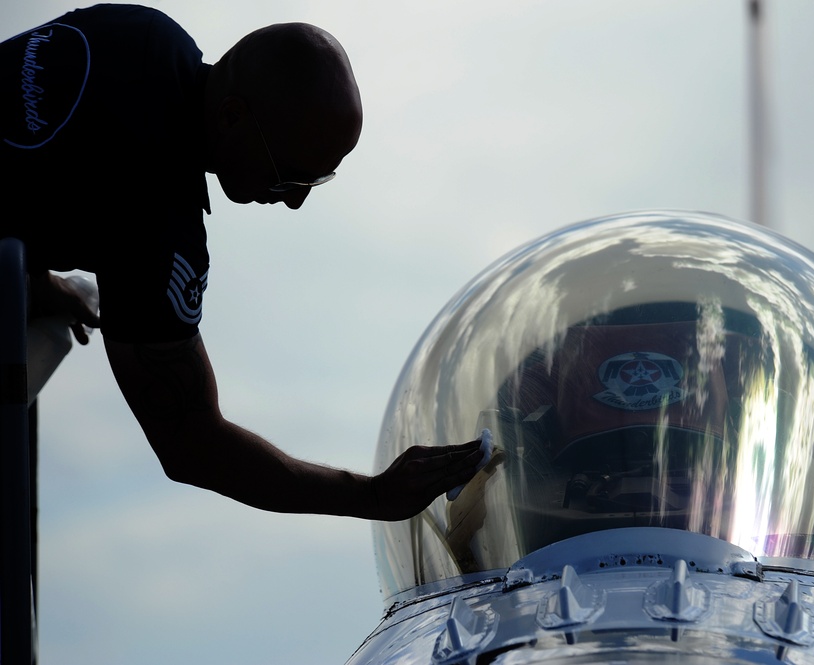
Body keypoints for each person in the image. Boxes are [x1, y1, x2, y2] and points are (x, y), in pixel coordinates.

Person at [1, 4, 482, 521]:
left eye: (316, 183)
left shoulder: (145, 32)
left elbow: (40, 148)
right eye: (289, 177)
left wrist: (34, 277)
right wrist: (371, 496)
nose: (295, 202)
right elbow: (190, 443)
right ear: (232, 117)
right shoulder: (156, 225)